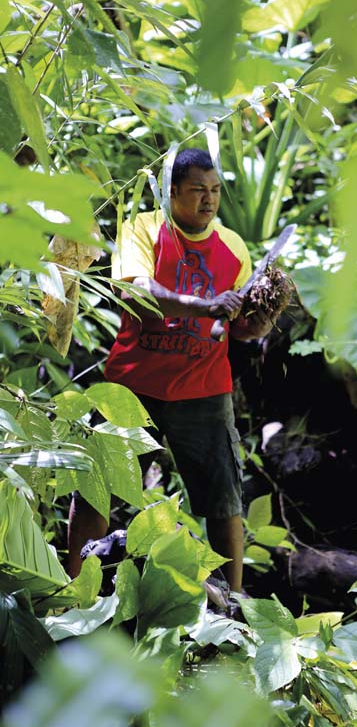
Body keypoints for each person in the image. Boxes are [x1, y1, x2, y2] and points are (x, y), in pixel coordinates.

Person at [67, 148, 273, 592]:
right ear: (172, 191)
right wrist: (206, 304)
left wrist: (258, 322)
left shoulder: (233, 247)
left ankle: (235, 602)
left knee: (223, 498)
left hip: (203, 389)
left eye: (215, 190)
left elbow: (233, 329)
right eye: (198, 190)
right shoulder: (141, 229)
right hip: (134, 386)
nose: (209, 200)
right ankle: (70, 591)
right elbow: (137, 293)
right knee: (96, 487)